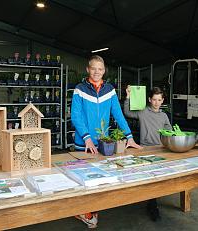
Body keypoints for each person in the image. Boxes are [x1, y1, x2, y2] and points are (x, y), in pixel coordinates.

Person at [71, 55, 141, 228]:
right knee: (82, 178)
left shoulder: (109, 90)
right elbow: (76, 115)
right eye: (93, 68)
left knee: (98, 178)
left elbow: (118, 114)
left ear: (104, 71)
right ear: (88, 69)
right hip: (83, 144)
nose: (96, 72)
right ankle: (83, 210)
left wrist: (129, 137)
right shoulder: (79, 89)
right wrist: (86, 138)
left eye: (100, 69)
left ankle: (91, 209)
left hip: (103, 143)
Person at [124, 86, 172, 221]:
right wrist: (128, 96)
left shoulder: (164, 116)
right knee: (149, 179)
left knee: (159, 178)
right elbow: (127, 112)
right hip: (145, 149)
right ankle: (152, 205)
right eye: (154, 99)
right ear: (149, 99)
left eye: (159, 100)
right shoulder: (143, 112)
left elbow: (169, 131)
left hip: (161, 149)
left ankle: (152, 202)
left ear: (162, 101)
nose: (156, 102)